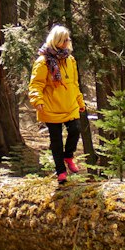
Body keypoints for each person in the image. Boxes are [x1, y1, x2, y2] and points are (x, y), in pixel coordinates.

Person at [27, 24, 86, 184]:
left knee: (75, 130)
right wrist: (37, 100)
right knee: (56, 141)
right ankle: (60, 172)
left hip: (70, 105)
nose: (68, 42)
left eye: (68, 39)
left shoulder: (70, 60)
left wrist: (80, 100)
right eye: (64, 40)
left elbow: (74, 83)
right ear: (57, 41)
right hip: (51, 106)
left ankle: (69, 156)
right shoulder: (43, 61)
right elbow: (35, 84)